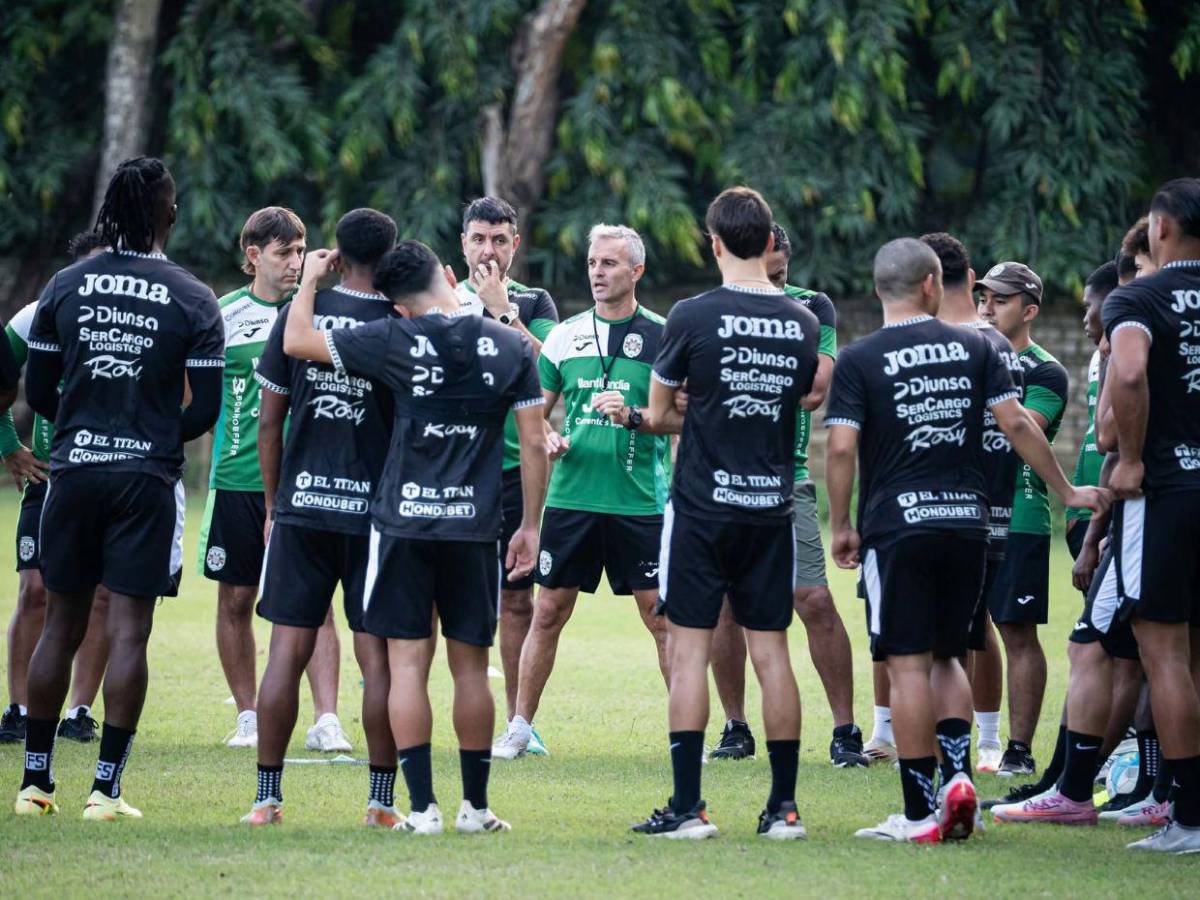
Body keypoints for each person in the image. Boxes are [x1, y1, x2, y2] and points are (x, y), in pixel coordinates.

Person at [826, 237, 1107, 843]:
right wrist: (1067, 491)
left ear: (879, 289)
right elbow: (1016, 424)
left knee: (907, 664)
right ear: (932, 284)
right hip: (968, 523)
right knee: (951, 655)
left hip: (898, 525)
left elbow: (842, 447)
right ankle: (958, 780)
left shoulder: (859, 357)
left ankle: (918, 812)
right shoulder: (980, 347)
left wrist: (843, 523)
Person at [282, 239, 548, 835]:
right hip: (474, 528)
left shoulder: (392, 337)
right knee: (471, 669)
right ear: (448, 276)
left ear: (398, 306)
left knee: (407, 667)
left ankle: (423, 809)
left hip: (401, 525)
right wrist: (530, 525)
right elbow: (534, 442)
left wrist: (309, 282)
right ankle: (475, 809)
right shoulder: (509, 345)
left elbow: (296, 341)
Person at [14, 156, 224, 819]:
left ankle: (35, 785)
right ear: (170, 215)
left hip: (73, 473)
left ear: (108, 212)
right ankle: (105, 791)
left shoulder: (66, 284)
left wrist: (85, 427)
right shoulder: (194, 296)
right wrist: (153, 435)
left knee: (60, 625)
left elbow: (38, 392)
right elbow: (205, 410)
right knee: (129, 630)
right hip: (145, 478)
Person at [1003, 179, 1200, 854]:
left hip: (1165, 493)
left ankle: (1185, 818)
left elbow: (1131, 378)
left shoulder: (1138, 298)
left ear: (1161, 229)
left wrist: (1134, 459)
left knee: (1162, 654)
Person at [632, 187, 818, 840]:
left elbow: (659, 415)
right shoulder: (803, 322)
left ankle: (689, 808)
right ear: (769, 242)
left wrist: (694, 399)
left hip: (702, 508)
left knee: (689, 652)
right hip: (770, 507)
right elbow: (791, 400)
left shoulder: (690, 315)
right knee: (773, 652)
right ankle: (784, 810)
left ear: (714, 243)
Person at [240, 208, 400, 827]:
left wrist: (273, 504)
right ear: (388, 258)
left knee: (286, 651)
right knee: (378, 659)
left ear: (335, 253)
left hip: (302, 509)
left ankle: (266, 800)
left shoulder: (299, 314)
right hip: (374, 518)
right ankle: (380, 804)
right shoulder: (400, 324)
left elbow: (268, 422)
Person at [491, 224, 671, 759]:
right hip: (571, 500)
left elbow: (686, 417)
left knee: (661, 619)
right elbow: (535, 413)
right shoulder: (566, 335)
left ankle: (687, 734)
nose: (597, 272)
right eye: (593, 262)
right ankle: (520, 728)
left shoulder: (664, 335)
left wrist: (634, 415)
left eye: (609, 263)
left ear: (636, 271)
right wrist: (546, 436)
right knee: (547, 612)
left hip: (639, 501)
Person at [706, 223, 867, 767]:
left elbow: (815, 391)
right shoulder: (712, 309)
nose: (774, 283)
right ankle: (735, 726)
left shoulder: (811, 307)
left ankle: (845, 730)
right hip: (722, 481)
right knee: (725, 607)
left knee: (813, 599)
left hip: (785, 478)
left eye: (780, 273)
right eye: (765, 274)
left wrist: (746, 372)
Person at [199, 207, 346, 751]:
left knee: (316, 601)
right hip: (237, 481)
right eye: (284, 253)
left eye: (301, 251)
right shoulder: (222, 315)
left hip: (307, 482)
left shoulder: (321, 312)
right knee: (236, 600)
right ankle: (248, 716)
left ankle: (327, 719)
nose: (295, 262)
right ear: (254, 255)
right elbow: (196, 395)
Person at [0, 232, 113, 746]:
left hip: (114, 479)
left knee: (102, 596)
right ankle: (19, 709)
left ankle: (79, 711)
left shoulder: (134, 317)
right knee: (36, 590)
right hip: (50, 480)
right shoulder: (38, 314)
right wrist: (8, 445)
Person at [455, 197, 558, 753]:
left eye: (499, 240)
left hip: (516, 471)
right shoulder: (442, 296)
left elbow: (552, 371)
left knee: (517, 599)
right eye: (479, 239)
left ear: (515, 244)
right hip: (453, 469)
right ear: (463, 243)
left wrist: (502, 311)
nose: (488, 251)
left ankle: (519, 724)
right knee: (442, 599)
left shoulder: (534, 302)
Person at [975, 261, 1068, 776]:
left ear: (1029, 311)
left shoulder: (1046, 370)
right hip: (964, 511)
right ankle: (974, 740)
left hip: (1020, 515)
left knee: (1016, 631)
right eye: (983, 297)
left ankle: (1019, 749)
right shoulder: (968, 353)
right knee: (966, 630)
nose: (987, 308)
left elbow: (1020, 430)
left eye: (1001, 300)